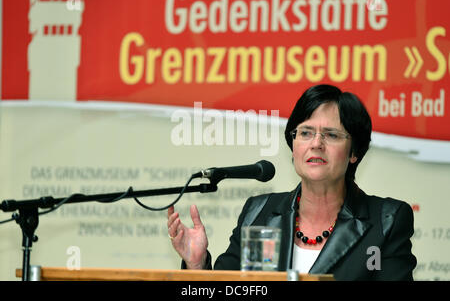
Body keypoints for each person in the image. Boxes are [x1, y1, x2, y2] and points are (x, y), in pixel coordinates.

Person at [167, 84, 417, 280]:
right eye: (306, 133)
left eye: (331, 135)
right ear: (294, 146)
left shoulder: (386, 221)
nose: (316, 144)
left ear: (354, 153)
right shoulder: (259, 213)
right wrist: (196, 265)